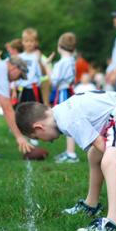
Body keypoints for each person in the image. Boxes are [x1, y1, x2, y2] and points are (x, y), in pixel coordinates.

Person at [15, 91, 116, 231]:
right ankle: (91, 204)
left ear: (39, 127)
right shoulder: (60, 111)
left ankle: (114, 221)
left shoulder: (67, 120)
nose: (47, 141)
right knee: (94, 156)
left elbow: (101, 143)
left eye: (38, 137)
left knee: (109, 162)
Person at [49, 32, 79, 164]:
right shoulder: (72, 60)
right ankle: (69, 151)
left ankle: (71, 154)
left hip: (64, 92)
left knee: (68, 122)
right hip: (70, 90)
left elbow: (53, 80)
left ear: (59, 47)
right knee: (70, 120)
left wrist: (46, 65)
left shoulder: (61, 63)